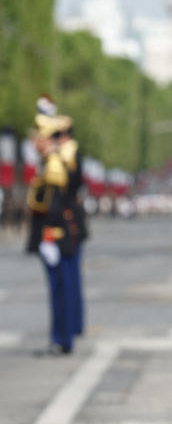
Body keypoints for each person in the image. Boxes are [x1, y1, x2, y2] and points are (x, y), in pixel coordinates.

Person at [25, 114, 81, 356]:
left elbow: (55, 205)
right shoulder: (51, 160)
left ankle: (61, 340)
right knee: (59, 289)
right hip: (57, 236)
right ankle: (60, 339)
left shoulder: (53, 163)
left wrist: (49, 236)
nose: (35, 140)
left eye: (39, 136)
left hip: (56, 237)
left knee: (60, 290)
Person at [56, 118, 88, 335]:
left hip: (68, 224)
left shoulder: (68, 157)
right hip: (71, 221)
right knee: (69, 280)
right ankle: (73, 325)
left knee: (68, 280)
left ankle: (70, 327)